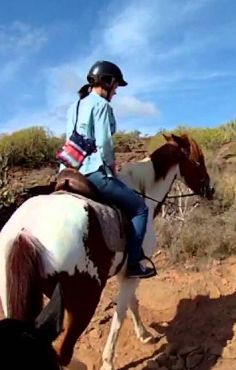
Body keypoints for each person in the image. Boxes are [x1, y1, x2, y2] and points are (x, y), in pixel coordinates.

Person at [62, 60, 156, 279]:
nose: (115, 92)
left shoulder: (73, 106)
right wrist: (111, 169)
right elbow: (104, 143)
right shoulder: (101, 106)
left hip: (68, 171)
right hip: (93, 172)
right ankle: (133, 263)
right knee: (140, 209)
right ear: (108, 81)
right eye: (115, 87)